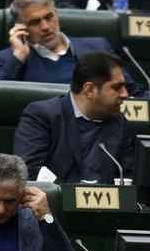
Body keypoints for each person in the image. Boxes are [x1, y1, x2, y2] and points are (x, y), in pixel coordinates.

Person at [0, 0, 149, 97]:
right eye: (34, 22)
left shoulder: (98, 46)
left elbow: (131, 90)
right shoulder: (7, 60)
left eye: (48, 17)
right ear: (21, 27)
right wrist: (19, 55)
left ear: (56, 12)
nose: (45, 27)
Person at [14, 51, 135, 183]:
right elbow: (29, 173)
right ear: (90, 90)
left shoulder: (119, 122)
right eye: (117, 87)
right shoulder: (42, 116)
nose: (125, 94)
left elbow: (128, 177)